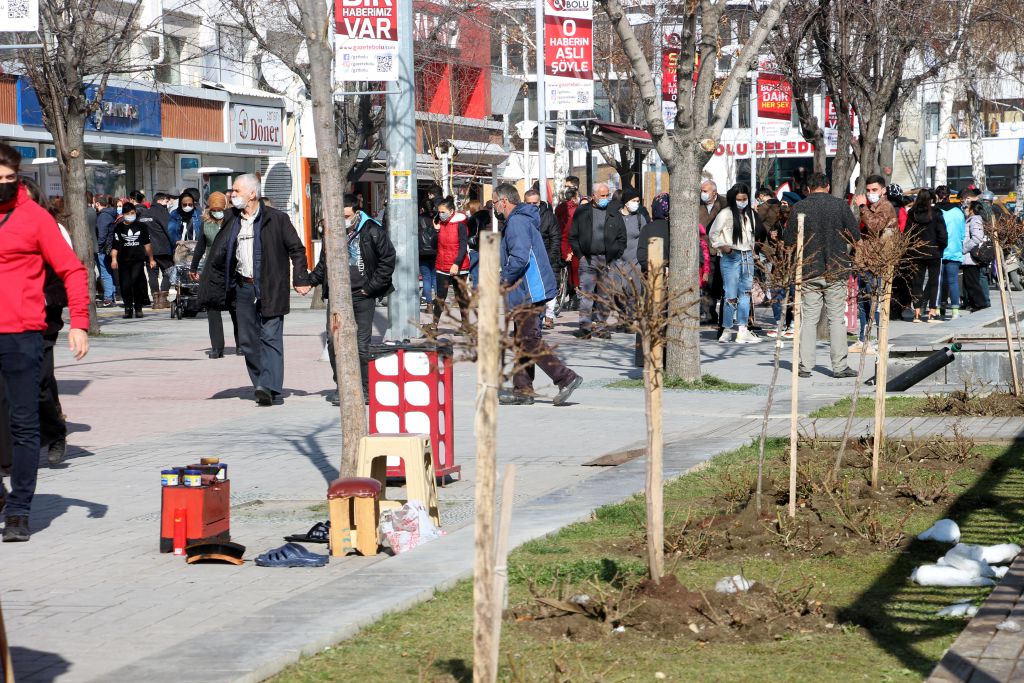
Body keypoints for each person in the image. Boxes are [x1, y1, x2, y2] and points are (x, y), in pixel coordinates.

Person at [0, 142, 90, 542]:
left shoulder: (35, 218)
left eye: (9, 179)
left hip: (22, 334)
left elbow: (72, 270)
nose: (3, 185)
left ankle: (18, 509)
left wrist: (80, 322)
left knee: (23, 425)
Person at [203, 174, 311, 406]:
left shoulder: (277, 219)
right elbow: (219, 251)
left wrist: (301, 278)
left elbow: (297, 249)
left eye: (236, 191)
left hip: (271, 286)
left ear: (252, 194)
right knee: (248, 340)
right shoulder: (232, 219)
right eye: (232, 192)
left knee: (271, 337)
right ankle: (261, 382)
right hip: (243, 287)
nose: (232, 195)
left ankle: (269, 387)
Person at [494, 184, 582, 406]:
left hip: (529, 290)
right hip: (528, 289)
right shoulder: (521, 220)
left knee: (529, 340)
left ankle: (565, 377)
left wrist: (503, 280)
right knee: (523, 340)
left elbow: (519, 257)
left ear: (504, 201)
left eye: (495, 202)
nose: (494, 207)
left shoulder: (517, 222)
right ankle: (523, 390)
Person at [307, 194, 395, 405]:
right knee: (333, 343)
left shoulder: (372, 230)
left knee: (361, 345)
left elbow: (387, 260)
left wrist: (370, 288)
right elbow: (323, 264)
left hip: (363, 296)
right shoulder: (332, 232)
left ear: (356, 213)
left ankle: (364, 389)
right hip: (338, 297)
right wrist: (308, 281)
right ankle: (342, 387)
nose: (343, 220)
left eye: (346, 216)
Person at [784, 172, 861, 378]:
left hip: (809, 269)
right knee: (837, 319)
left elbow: (789, 240)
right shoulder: (840, 205)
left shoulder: (799, 207)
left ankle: (805, 365)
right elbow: (856, 234)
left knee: (808, 318)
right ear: (827, 186)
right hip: (837, 267)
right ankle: (839, 366)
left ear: (808, 188)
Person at [709, 183, 765, 344]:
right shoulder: (725, 214)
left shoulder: (751, 215)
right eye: (739, 199)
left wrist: (753, 252)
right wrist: (724, 247)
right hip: (731, 255)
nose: (742, 201)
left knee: (746, 293)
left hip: (747, 255)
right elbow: (713, 234)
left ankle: (742, 330)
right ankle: (726, 329)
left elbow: (754, 236)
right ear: (733, 199)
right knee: (730, 294)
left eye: (745, 199)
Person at [568, 182, 624, 339]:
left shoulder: (614, 212)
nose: (605, 198)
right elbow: (573, 236)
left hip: (608, 261)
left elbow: (622, 237)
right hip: (588, 260)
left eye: (607, 195)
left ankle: (601, 326)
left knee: (605, 296)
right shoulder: (582, 212)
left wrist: (615, 254)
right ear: (594, 196)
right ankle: (585, 327)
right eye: (602, 196)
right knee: (587, 295)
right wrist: (581, 255)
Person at [850, 175, 898, 351]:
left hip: (878, 263)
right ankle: (863, 339)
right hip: (865, 262)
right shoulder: (870, 208)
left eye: (874, 190)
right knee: (863, 301)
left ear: (883, 190)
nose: (870, 193)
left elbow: (875, 226)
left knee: (875, 302)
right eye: (868, 190)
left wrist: (862, 207)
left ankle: (879, 338)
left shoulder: (885, 207)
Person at [190, 192, 238, 358]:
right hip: (212, 269)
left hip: (231, 268)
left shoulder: (233, 221)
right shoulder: (206, 223)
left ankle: (241, 345)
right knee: (212, 307)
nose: (217, 212)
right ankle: (217, 348)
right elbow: (200, 247)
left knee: (235, 307)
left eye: (220, 209)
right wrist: (193, 267)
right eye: (214, 209)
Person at [906, 189, 948, 323]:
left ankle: (917, 313)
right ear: (931, 200)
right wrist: (941, 246)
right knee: (935, 281)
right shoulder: (936, 213)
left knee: (916, 282)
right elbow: (942, 234)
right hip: (934, 251)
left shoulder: (912, 214)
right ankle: (932, 312)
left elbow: (907, 234)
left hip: (916, 252)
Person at [110, 202, 157, 319]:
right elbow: (115, 245)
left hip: (138, 260)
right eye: (128, 213)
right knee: (125, 285)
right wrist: (114, 259)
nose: (130, 215)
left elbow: (147, 244)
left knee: (137, 283)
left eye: (132, 213)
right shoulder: (119, 227)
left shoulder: (141, 226)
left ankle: (138, 308)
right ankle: (128, 308)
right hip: (123, 260)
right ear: (123, 214)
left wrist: (151, 259)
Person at [524, 189, 562, 328]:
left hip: (547, 257)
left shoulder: (548, 216)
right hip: (530, 258)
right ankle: (535, 319)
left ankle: (549, 316)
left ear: (540, 202)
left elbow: (555, 237)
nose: (533, 206)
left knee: (550, 287)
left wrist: (551, 257)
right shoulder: (522, 216)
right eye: (530, 203)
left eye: (536, 203)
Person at [431, 198, 471, 330]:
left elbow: (463, 245)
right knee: (440, 296)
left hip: (458, 266)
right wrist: (436, 231)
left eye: (443, 212)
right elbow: (433, 245)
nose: (440, 214)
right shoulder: (440, 224)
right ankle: (434, 324)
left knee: (461, 296)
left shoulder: (460, 224)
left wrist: (457, 263)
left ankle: (465, 325)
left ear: (451, 211)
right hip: (442, 265)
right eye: (439, 212)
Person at [700, 179, 729, 327]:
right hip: (705, 250)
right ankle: (710, 314)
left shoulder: (725, 204)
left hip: (722, 250)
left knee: (723, 284)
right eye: (701, 191)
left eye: (705, 191)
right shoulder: (698, 206)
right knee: (707, 284)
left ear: (714, 192)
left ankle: (726, 318)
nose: (702, 194)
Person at [935, 185, 966, 320]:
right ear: (949, 195)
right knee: (953, 281)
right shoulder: (958, 212)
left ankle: (937, 309)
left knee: (938, 281)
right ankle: (955, 312)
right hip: (954, 250)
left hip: (938, 250)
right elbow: (962, 233)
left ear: (937, 196)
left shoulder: (935, 211)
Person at [139, 193, 173, 309]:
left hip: (148, 250)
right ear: (160, 200)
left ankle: (155, 301)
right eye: (166, 201)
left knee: (152, 274)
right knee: (169, 272)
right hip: (162, 248)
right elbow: (169, 229)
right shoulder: (162, 212)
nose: (167, 203)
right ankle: (163, 299)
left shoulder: (144, 214)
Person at [961, 199, 992, 312]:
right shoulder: (972, 219)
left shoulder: (975, 220)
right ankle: (976, 304)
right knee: (969, 281)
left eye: (968, 207)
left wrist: (964, 249)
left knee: (972, 281)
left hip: (971, 256)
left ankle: (981, 304)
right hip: (969, 256)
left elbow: (977, 237)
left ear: (972, 209)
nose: (966, 209)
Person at [556, 186, 581, 310]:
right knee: (575, 273)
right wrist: (570, 251)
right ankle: (574, 299)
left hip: (561, 243)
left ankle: (567, 298)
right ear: (575, 197)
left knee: (566, 273)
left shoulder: (559, 208)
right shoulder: (576, 210)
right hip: (572, 245)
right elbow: (573, 232)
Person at [94, 194, 118, 306]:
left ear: (98, 203)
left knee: (105, 273)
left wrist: (99, 247)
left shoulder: (103, 216)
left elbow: (102, 234)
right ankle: (111, 295)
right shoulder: (111, 214)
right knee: (109, 272)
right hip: (110, 247)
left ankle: (108, 298)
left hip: (104, 248)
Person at [418, 196, 438, 310]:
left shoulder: (419, 218)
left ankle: (429, 305)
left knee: (426, 278)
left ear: (422, 208)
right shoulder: (437, 217)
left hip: (423, 252)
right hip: (436, 251)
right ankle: (439, 302)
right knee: (435, 277)